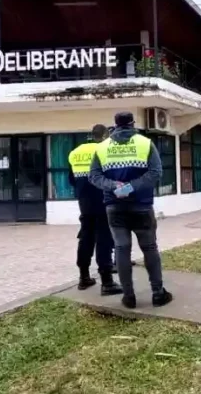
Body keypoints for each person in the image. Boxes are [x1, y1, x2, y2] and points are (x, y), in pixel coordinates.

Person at [89, 111, 173, 309]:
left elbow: (94, 176)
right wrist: (131, 187)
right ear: (133, 124)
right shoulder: (145, 143)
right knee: (150, 248)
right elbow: (156, 172)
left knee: (121, 248)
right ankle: (158, 293)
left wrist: (114, 186)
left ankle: (128, 297)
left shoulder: (102, 147)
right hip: (141, 206)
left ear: (115, 125)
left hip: (114, 207)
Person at [68, 125, 123, 296]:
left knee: (85, 239)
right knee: (104, 241)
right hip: (103, 202)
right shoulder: (105, 150)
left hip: (84, 203)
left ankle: (84, 278)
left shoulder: (75, 152)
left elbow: (72, 180)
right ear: (106, 136)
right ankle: (107, 282)